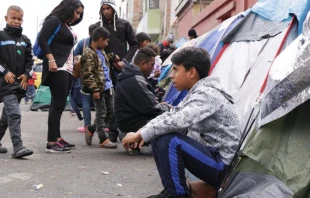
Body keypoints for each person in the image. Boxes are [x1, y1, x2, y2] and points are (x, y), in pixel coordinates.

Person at [122, 47, 241, 198]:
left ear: (191, 72)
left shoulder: (208, 94)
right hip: (212, 157)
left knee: (169, 140)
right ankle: (171, 190)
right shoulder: (198, 92)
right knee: (160, 134)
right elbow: (172, 114)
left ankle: (177, 195)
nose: (171, 76)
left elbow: (177, 121)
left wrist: (141, 134)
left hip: (222, 165)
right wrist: (142, 132)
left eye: (176, 70)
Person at [38, 0, 84, 153]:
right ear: (69, 8)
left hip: (67, 69)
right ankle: (51, 142)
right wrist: (51, 59)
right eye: (76, 12)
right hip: (57, 67)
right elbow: (42, 39)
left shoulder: (66, 25)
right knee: (57, 105)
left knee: (58, 105)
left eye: (80, 14)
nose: (78, 16)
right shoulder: (53, 20)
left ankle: (57, 138)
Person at [96, 0, 138, 142]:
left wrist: (124, 61)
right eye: (103, 8)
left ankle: (115, 130)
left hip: (121, 69)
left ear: (113, 9)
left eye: (108, 8)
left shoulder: (124, 25)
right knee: (105, 101)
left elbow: (134, 44)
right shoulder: (96, 27)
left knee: (121, 98)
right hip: (103, 70)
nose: (106, 11)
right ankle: (103, 130)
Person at [114, 47, 171, 151]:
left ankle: (133, 138)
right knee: (169, 121)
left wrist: (159, 104)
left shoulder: (129, 75)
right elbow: (152, 108)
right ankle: (133, 138)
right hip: (132, 123)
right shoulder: (135, 79)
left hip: (126, 121)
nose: (153, 68)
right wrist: (169, 109)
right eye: (152, 65)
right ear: (143, 63)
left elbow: (147, 103)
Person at [0, 5, 34, 158]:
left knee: (6, 118)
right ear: (6, 18)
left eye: (19, 19)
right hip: (5, 83)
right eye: (13, 18)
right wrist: (5, 71)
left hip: (20, 84)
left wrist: (27, 75)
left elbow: (30, 60)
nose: (16, 21)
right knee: (14, 113)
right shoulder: (1, 36)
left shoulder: (25, 40)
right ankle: (18, 147)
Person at [80, 26, 117, 149]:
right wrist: (95, 89)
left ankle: (90, 129)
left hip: (108, 87)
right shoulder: (88, 53)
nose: (107, 44)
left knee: (110, 112)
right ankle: (103, 138)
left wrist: (113, 56)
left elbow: (103, 63)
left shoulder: (101, 51)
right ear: (100, 40)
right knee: (101, 113)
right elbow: (87, 74)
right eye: (106, 41)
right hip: (99, 89)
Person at [74, 24, 97, 133]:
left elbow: (74, 55)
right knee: (100, 100)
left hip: (84, 76)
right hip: (98, 76)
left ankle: (87, 126)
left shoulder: (82, 43)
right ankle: (101, 125)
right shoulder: (100, 43)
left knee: (86, 100)